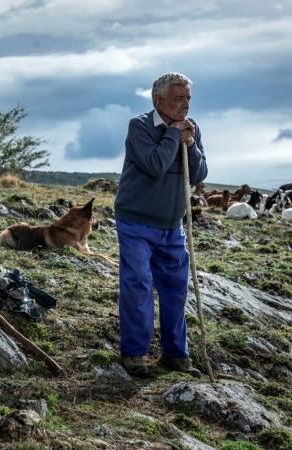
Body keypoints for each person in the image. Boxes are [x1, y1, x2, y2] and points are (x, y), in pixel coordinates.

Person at [114, 72, 208, 377]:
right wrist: (172, 134)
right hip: (136, 222)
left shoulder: (190, 129)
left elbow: (198, 174)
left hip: (171, 225)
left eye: (188, 99)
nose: (185, 105)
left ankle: (176, 354)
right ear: (158, 100)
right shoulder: (139, 126)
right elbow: (154, 166)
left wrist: (190, 143)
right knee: (138, 283)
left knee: (174, 289)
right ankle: (135, 353)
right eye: (178, 99)